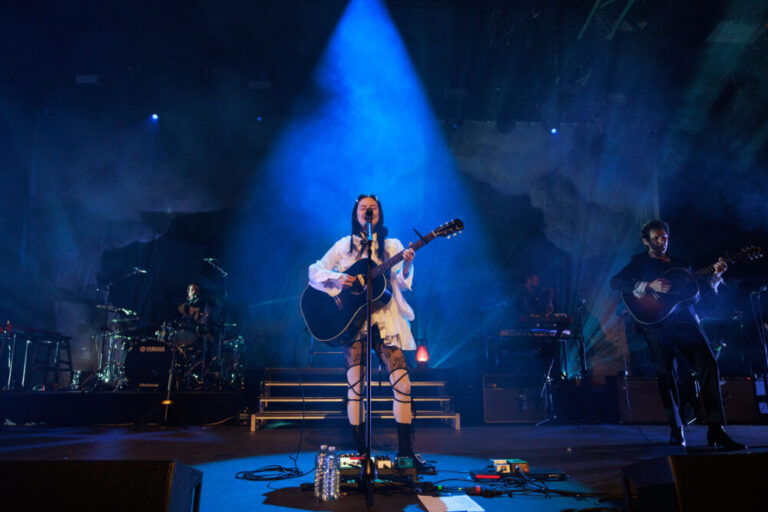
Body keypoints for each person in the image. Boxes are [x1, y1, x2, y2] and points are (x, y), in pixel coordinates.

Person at [610, 219, 744, 450]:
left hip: (685, 322)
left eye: (664, 238)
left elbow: (695, 294)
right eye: (656, 238)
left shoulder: (682, 264)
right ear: (646, 241)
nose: (661, 242)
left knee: (709, 366)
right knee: (667, 374)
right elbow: (616, 282)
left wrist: (715, 276)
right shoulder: (638, 262)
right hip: (656, 326)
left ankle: (716, 429)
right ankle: (676, 428)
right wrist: (650, 285)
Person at [308, 194, 420, 460]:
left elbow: (402, 283)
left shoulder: (392, 245)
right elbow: (314, 271)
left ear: (379, 213)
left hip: (386, 321)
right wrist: (338, 278)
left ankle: (406, 453)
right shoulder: (343, 246)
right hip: (354, 323)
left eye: (373, 208)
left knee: (403, 386)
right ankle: (361, 453)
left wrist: (407, 263)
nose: (368, 211)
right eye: (363, 208)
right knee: (356, 389)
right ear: (356, 213)